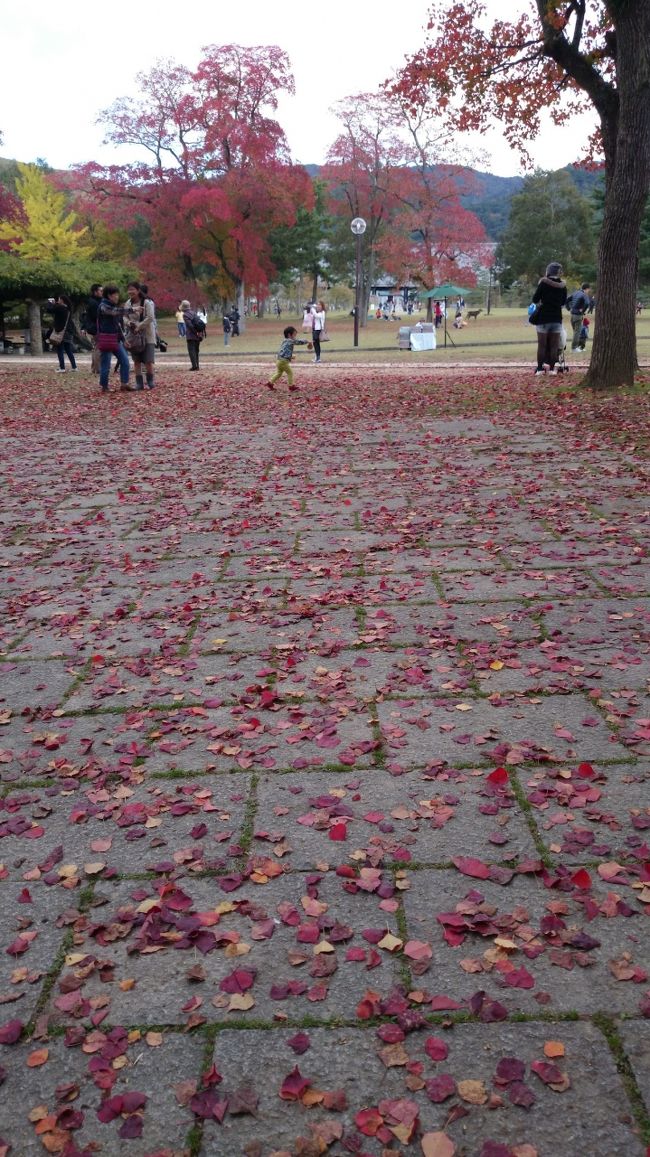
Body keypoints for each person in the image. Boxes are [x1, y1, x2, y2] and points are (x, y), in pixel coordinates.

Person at [531, 261, 568, 374]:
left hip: (543, 318)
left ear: (548, 271)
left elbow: (535, 299)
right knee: (554, 346)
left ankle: (540, 369)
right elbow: (563, 302)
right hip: (556, 318)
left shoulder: (543, 283)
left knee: (542, 345)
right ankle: (552, 369)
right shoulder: (563, 286)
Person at [97, 285, 131, 393]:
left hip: (116, 339)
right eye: (115, 295)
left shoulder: (113, 307)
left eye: (117, 294)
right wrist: (132, 310)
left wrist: (124, 339)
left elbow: (118, 326)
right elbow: (114, 311)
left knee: (125, 361)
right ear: (109, 296)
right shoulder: (103, 306)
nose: (117, 297)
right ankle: (104, 386)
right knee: (106, 364)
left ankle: (124, 383)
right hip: (106, 339)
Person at [123, 281, 156, 390]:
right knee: (136, 360)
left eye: (133, 289)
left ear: (138, 290)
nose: (130, 292)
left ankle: (150, 381)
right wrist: (129, 323)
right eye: (129, 289)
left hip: (147, 335)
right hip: (134, 336)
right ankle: (139, 383)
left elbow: (150, 317)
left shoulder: (146, 302)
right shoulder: (128, 303)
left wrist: (139, 326)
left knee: (148, 361)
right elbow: (124, 317)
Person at [267, 325, 311, 392]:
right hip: (283, 361)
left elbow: (284, 351)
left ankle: (270, 382)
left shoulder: (285, 341)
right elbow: (298, 342)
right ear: (289, 335)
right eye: (294, 335)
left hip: (279, 360)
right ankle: (291, 386)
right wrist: (307, 341)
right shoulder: (290, 341)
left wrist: (290, 356)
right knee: (290, 373)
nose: (295, 337)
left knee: (279, 373)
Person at [46, 294, 78, 372]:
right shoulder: (68, 308)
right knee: (68, 350)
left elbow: (49, 310)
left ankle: (62, 368)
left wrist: (50, 303)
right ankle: (74, 367)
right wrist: (55, 304)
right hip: (69, 331)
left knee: (60, 349)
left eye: (59, 299)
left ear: (62, 300)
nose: (58, 301)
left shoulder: (60, 307)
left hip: (62, 332)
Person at [180, 299, 206, 370]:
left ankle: (194, 366)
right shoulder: (193, 313)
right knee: (196, 350)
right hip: (198, 334)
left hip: (191, 335)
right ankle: (197, 365)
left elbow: (190, 325)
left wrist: (195, 332)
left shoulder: (185, 315)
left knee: (191, 351)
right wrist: (199, 333)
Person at [568, 282, 592, 350]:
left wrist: (569, 308)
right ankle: (574, 348)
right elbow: (587, 303)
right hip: (578, 315)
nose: (589, 291)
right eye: (589, 289)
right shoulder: (584, 295)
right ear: (586, 289)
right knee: (577, 332)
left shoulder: (575, 293)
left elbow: (567, 300)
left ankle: (579, 346)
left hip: (572, 315)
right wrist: (583, 311)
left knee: (576, 331)